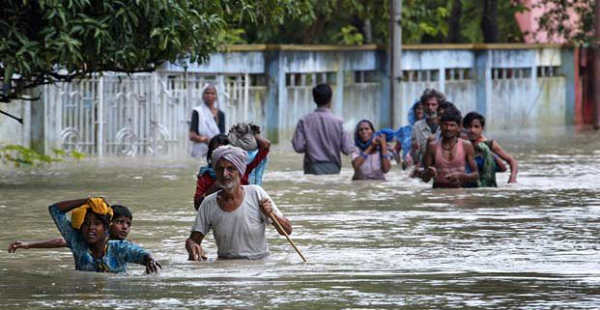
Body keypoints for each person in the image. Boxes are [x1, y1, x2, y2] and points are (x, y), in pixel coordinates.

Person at [186, 145, 292, 260]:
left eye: (230, 169)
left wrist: (271, 214)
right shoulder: (208, 203)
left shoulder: (256, 193)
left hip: (259, 264)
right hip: (226, 265)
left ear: (240, 172)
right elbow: (193, 240)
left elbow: (287, 231)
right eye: (220, 169)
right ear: (215, 172)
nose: (225, 174)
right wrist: (192, 246)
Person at [48, 197, 160, 273]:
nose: (91, 228)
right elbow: (55, 210)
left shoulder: (120, 248)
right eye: (86, 224)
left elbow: (140, 254)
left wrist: (149, 260)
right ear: (81, 228)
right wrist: (86, 200)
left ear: (107, 228)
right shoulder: (77, 242)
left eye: (97, 224)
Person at [193, 130, 271, 210]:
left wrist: (248, 130)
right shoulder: (205, 175)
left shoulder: (242, 169)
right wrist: (215, 187)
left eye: (226, 154)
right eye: (218, 154)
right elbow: (197, 206)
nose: (225, 173)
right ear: (212, 156)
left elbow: (265, 145)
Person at [8, 205, 134, 252]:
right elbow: (61, 241)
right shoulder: (87, 240)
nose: (124, 227)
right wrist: (28, 245)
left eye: (128, 224)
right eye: (120, 222)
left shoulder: (126, 246)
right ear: (108, 224)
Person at [291, 83, 354, 175]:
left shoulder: (304, 121)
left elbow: (298, 147)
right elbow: (347, 149)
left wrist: (311, 145)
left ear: (314, 99)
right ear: (330, 99)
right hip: (333, 168)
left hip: (311, 168)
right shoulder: (339, 122)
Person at [421, 108, 479, 188]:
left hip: (459, 193)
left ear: (458, 127)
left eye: (452, 125)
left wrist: (461, 176)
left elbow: (476, 175)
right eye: (445, 125)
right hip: (438, 193)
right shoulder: (432, 146)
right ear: (440, 126)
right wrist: (429, 173)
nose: (448, 128)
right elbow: (425, 179)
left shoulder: (466, 145)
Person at [463, 112, 518, 184]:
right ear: (464, 128)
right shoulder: (461, 144)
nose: (472, 130)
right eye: (469, 127)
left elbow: (512, 161)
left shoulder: (489, 145)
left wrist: (512, 177)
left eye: (476, 127)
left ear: (482, 128)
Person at [189, 84, 226, 158]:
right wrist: (206, 140)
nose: (209, 95)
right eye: (207, 93)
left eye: (212, 93)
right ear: (203, 95)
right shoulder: (197, 112)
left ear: (216, 96)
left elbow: (222, 136)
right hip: (200, 150)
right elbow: (192, 136)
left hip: (216, 151)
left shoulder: (221, 114)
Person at [411, 89, 446, 166]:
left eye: (433, 105)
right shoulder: (417, 126)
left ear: (439, 106)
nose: (430, 108)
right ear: (423, 106)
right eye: (427, 104)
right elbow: (415, 157)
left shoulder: (447, 125)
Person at [393, 101, 424, 169]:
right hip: (407, 169)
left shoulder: (430, 130)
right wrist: (399, 166)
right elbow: (396, 150)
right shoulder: (404, 130)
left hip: (423, 168)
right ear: (414, 111)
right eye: (418, 108)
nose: (420, 111)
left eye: (423, 109)